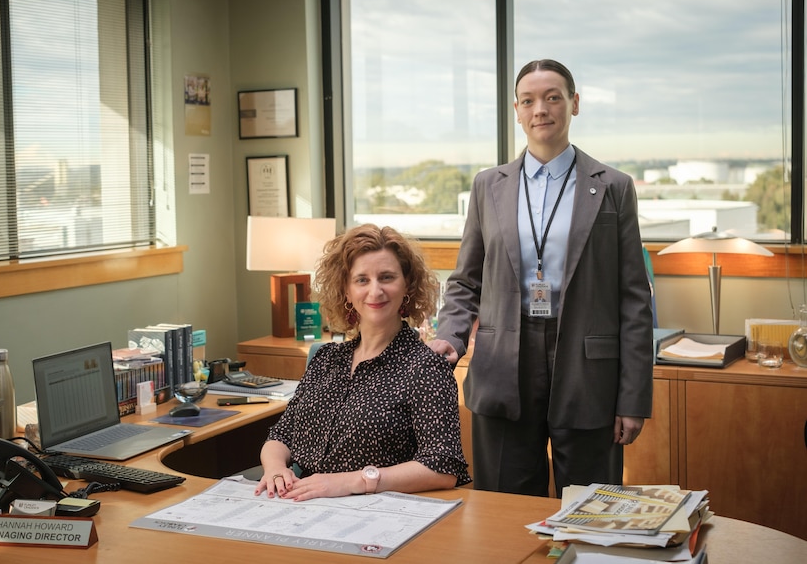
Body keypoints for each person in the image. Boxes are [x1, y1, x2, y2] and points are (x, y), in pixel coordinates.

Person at [428, 59, 653, 498]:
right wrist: (449, 337)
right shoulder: (487, 185)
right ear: (517, 110)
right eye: (529, 100)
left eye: (553, 97)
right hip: (502, 361)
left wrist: (632, 398)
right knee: (503, 506)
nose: (541, 109)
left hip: (587, 368)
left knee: (592, 509)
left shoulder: (614, 187)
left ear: (574, 104)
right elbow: (465, 281)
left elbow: (634, 299)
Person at [255, 224, 471, 501]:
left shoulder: (426, 367)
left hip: (377, 511)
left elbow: (442, 467)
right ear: (346, 291)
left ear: (407, 286)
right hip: (301, 505)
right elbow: (281, 434)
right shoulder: (326, 359)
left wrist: (348, 482)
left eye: (387, 277)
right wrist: (275, 470)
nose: (375, 290)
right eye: (362, 280)